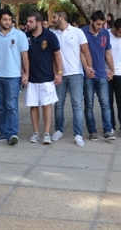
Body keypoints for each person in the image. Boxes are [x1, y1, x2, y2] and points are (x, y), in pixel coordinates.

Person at [0, 8, 29, 146]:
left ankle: (12, 133)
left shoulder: (20, 35)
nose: (7, 22)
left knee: (12, 106)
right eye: (5, 19)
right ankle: (3, 132)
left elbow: (25, 56)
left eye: (10, 20)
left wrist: (26, 73)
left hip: (13, 76)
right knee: (1, 106)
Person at [52, 11, 93, 146]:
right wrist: (56, 73)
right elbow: (52, 56)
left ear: (62, 18)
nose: (53, 20)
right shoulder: (53, 33)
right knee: (58, 104)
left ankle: (78, 134)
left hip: (76, 74)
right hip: (60, 74)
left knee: (77, 105)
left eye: (54, 17)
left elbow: (86, 52)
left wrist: (89, 68)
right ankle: (59, 130)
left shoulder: (77, 32)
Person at [25, 13, 62, 144]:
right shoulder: (26, 36)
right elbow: (23, 57)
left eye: (30, 21)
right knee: (33, 106)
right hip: (32, 78)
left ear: (39, 23)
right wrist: (24, 73)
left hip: (47, 77)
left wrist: (59, 73)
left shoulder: (50, 36)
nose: (27, 24)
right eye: (27, 22)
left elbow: (57, 55)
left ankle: (46, 133)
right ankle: (36, 133)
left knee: (46, 106)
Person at [82, 10, 116, 141]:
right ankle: (92, 131)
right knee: (89, 104)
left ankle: (108, 130)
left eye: (102, 24)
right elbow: (81, 53)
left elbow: (108, 53)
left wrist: (112, 70)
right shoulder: (82, 32)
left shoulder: (105, 33)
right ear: (91, 21)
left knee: (105, 104)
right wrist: (86, 68)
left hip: (102, 74)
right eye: (98, 24)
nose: (100, 27)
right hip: (88, 75)